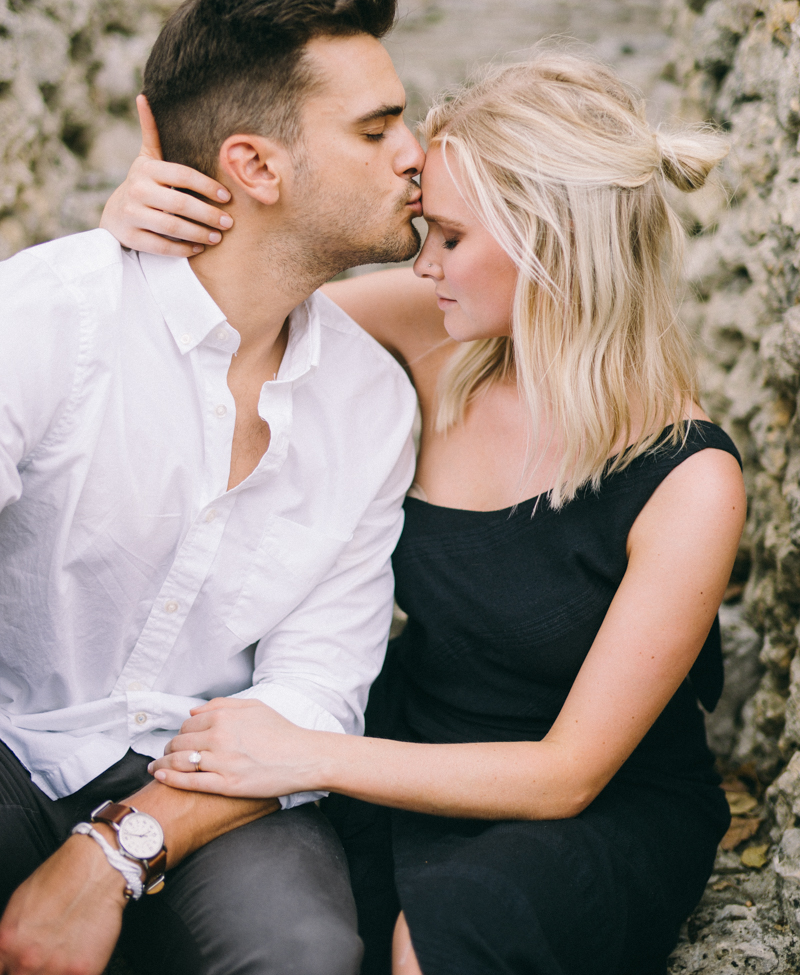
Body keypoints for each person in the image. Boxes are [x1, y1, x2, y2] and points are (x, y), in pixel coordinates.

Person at [102, 50, 746, 975]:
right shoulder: (435, 330)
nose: (423, 259)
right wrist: (136, 230)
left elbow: (567, 774)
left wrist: (310, 754)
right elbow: (232, 304)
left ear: (547, 241)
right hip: (406, 737)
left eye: (447, 236)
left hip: (584, 802)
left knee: (442, 941)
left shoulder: (687, 479)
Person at [0, 0, 429, 975]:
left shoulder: (370, 400)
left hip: (220, 778)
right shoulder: (48, 317)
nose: (417, 156)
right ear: (253, 165)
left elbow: (315, 684)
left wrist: (120, 845)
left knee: (304, 954)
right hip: (14, 738)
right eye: (377, 130)